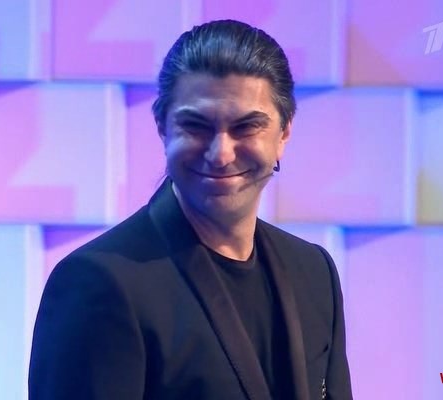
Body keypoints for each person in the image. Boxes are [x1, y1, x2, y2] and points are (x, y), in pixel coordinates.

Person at [28, 19, 352, 400]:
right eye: (196, 126)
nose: (221, 154)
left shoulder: (313, 271)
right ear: (162, 128)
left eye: (246, 127)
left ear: (284, 133)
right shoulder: (97, 283)